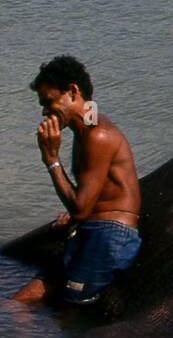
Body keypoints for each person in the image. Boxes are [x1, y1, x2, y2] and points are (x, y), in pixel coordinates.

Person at [11, 55, 142, 305]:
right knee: (19, 302)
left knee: (69, 308)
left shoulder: (98, 135)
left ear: (72, 91)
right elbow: (86, 204)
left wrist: (51, 159)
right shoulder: (85, 130)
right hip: (90, 229)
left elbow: (81, 210)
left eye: (49, 102)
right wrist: (74, 218)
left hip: (109, 234)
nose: (45, 111)